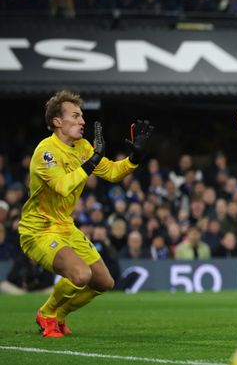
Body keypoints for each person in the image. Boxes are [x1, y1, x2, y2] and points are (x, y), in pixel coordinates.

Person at [18, 90, 154, 337]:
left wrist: (135, 158)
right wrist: (91, 162)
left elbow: (112, 172)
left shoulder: (81, 147)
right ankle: (47, 313)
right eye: (75, 116)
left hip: (65, 227)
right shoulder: (45, 151)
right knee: (81, 275)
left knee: (104, 283)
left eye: (82, 116)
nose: (82, 121)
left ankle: (59, 315)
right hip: (38, 229)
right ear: (57, 122)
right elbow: (61, 187)